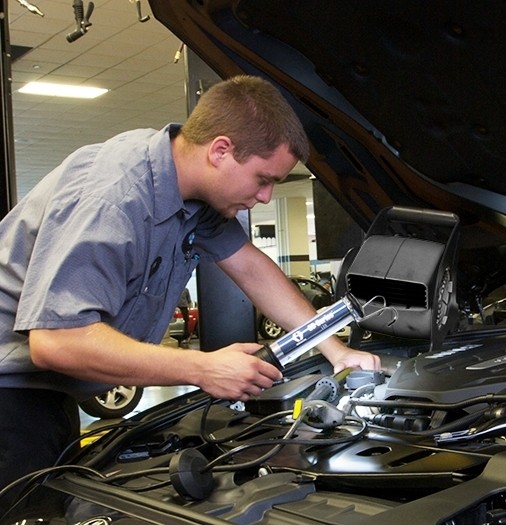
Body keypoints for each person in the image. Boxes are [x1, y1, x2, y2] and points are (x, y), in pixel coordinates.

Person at [0, 75, 380, 499]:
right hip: (9, 396)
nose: (267, 197)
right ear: (220, 150)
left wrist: (335, 348)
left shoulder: (193, 198)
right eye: (262, 179)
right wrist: (204, 368)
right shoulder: (113, 199)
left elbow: (251, 267)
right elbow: (57, 342)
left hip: (48, 395)